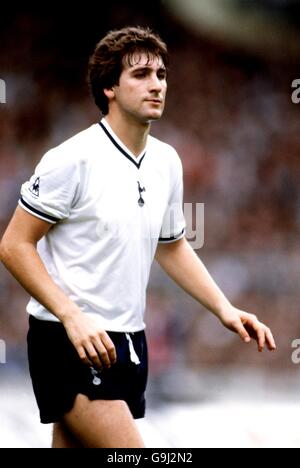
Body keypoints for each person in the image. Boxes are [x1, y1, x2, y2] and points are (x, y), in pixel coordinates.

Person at [0, 26, 276, 449]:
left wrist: (224, 309)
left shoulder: (167, 161)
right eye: (142, 74)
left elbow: (173, 245)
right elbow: (14, 244)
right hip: (68, 341)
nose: (156, 85)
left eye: (161, 75)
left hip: (130, 343)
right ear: (109, 87)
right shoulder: (71, 159)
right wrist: (72, 316)